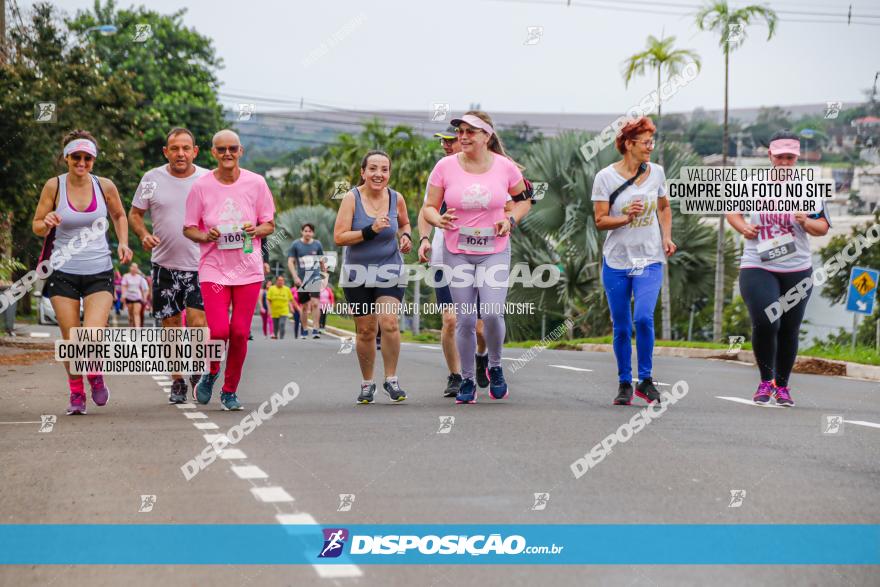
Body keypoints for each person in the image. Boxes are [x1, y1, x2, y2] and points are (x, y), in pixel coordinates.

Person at [422, 111, 528, 404]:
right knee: (465, 319)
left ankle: (495, 365)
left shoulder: (505, 167)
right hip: (457, 251)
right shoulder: (444, 166)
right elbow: (429, 206)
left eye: (470, 132)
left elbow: (523, 200)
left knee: (492, 313)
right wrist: (437, 219)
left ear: (486, 136)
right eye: (460, 132)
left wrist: (511, 220)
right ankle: (467, 379)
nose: (463, 137)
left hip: (494, 249)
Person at [32, 130, 133, 415]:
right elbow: (37, 225)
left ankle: (95, 372)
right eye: (76, 157)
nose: (81, 162)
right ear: (66, 158)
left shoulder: (105, 186)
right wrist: (47, 222)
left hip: (98, 271)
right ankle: (76, 392)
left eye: (87, 158)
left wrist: (123, 242)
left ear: (93, 159)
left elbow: (119, 215)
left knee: (92, 336)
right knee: (70, 338)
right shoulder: (54, 186)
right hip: (63, 272)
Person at [727, 130, 830, 407]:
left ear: (796, 158)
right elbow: (732, 212)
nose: (785, 162)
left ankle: (782, 386)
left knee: (789, 328)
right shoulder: (753, 184)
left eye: (790, 157)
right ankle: (765, 381)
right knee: (766, 320)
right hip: (757, 263)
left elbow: (822, 227)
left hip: (797, 267)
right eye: (780, 156)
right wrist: (744, 227)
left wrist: (806, 222)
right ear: (770, 155)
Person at [183, 129, 275, 410]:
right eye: (221, 149)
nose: (227, 154)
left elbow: (269, 224)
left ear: (240, 151)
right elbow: (188, 229)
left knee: (238, 333)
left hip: (248, 268)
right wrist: (205, 235)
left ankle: (229, 390)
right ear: (213, 152)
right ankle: (211, 373)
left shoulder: (256, 183)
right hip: (213, 268)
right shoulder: (201, 186)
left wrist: (255, 229)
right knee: (220, 330)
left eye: (232, 149)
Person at [592, 116, 675, 406]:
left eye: (652, 141)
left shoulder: (657, 173)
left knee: (643, 317)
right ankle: (625, 382)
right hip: (616, 261)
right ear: (628, 144)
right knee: (623, 326)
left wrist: (666, 236)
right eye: (645, 142)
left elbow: (664, 208)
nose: (650, 147)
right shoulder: (605, 177)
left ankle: (647, 380)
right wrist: (626, 217)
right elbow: (600, 221)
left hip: (649, 258)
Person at [129, 127, 211, 402]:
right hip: (164, 265)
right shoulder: (151, 179)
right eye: (174, 148)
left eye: (186, 148)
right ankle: (177, 380)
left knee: (199, 323)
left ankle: (198, 371)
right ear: (166, 152)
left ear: (194, 151)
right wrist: (143, 234)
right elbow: (135, 214)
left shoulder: (207, 179)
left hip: (202, 265)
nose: (180, 154)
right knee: (171, 324)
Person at [334, 150, 412, 404]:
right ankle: (367, 383)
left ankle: (391, 380)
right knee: (366, 330)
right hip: (358, 272)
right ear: (363, 172)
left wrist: (406, 236)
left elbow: (404, 223)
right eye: (373, 169)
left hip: (389, 268)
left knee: (389, 322)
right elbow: (339, 237)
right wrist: (369, 230)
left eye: (384, 169)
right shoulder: (351, 198)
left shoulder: (396, 198)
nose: (379, 174)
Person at [287, 223, 327, 339]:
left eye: (310, 231)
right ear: (302, 232)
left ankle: (315, 329)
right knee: (304, 306)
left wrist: (324, 276)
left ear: (313, 233)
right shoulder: (296, 245)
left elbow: (321, 261)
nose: (307, 233)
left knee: (315, 303)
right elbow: (290, 261)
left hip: (315, 277)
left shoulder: (317, 244)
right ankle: (304, 329)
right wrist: (295, 276)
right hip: (301, 279)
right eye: (305, 231)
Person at [121, 263, 149, 327]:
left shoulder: (140, 278)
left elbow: (146, 288)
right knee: (131, 314)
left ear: (137, 269)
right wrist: (123, 295)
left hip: (137, 297)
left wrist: (145, 297)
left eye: (135, 267)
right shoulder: (126, 276)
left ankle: (137, 328)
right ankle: (131, 327)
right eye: (132, 267)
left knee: (136, 313)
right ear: (130, 268)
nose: (133, 269)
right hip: (129, 297)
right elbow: (123, 286)